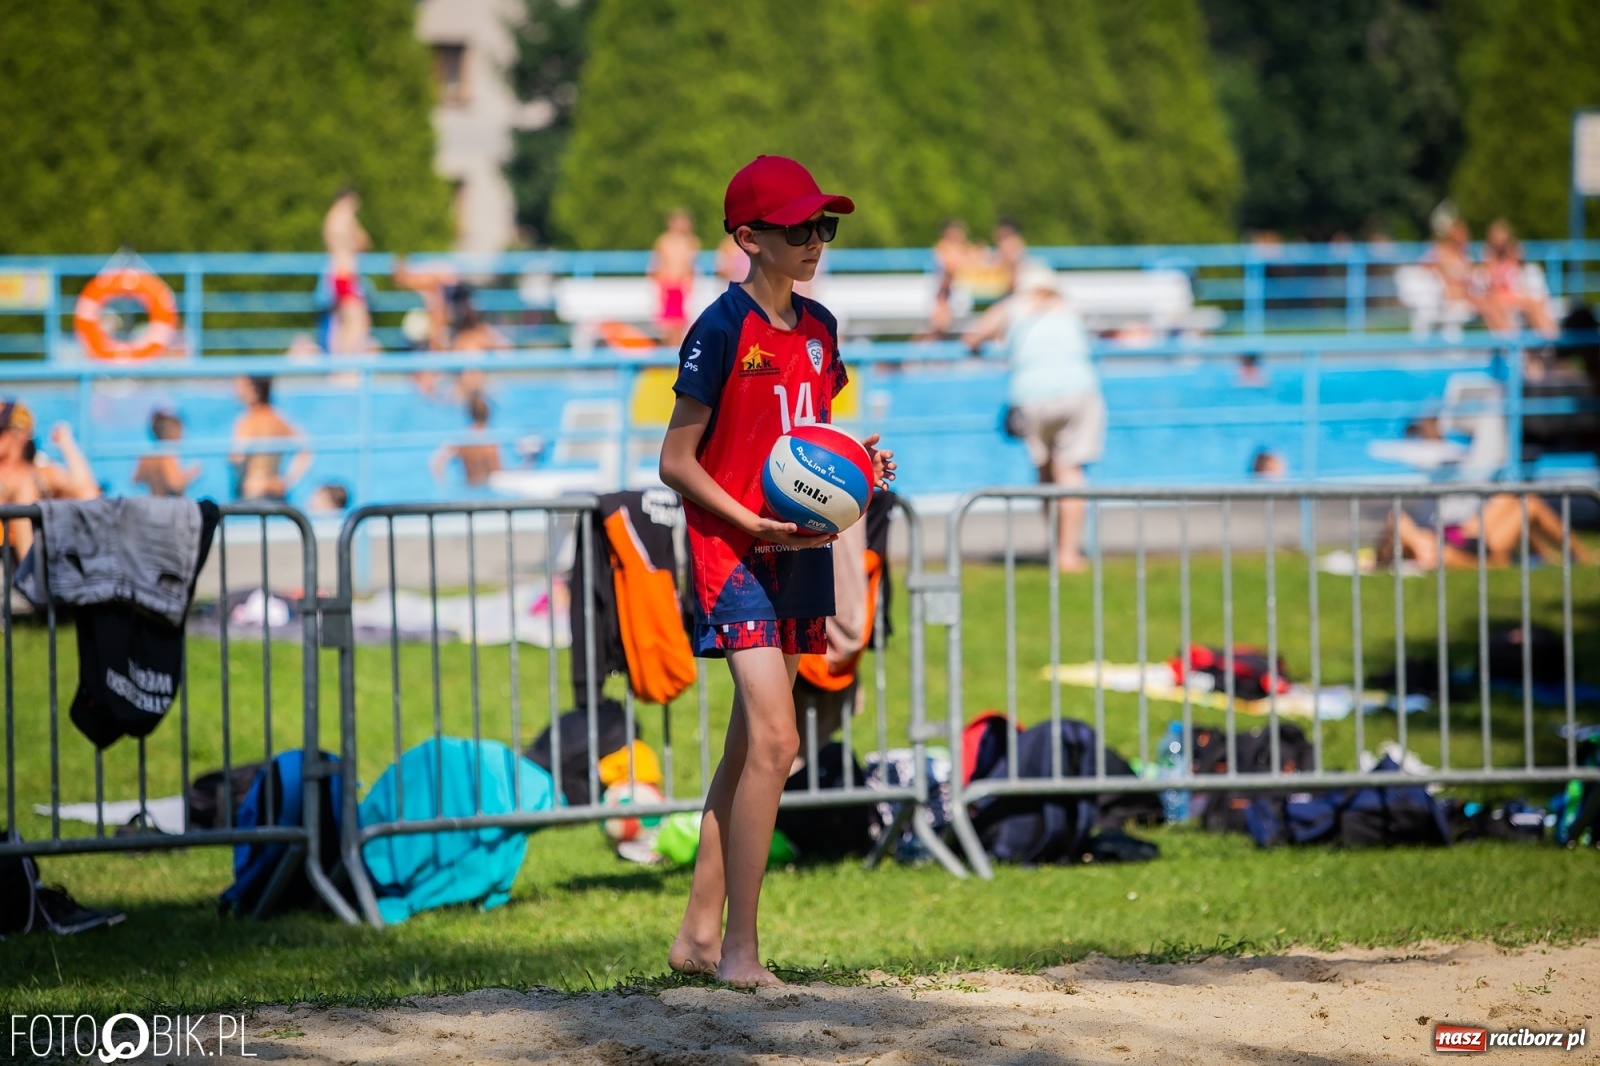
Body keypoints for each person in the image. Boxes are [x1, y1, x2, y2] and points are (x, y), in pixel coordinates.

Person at [657, 155, 892, 988]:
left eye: (824, 227)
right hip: (734, 551)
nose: (817, 241)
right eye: (801, 228)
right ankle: (741, 954)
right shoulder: (718, 331)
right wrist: (748, 518)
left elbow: (807, 445)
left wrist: (859, 464)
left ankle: (695, 938)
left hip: (797, 552)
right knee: (780, 742)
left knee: (748, 751)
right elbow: (674, 461)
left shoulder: (822, 327)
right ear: (750, 238)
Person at [964, 262, 1104, 572]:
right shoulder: (1068, 306)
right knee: (1070, 472)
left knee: (1044, 470)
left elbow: (972, 337)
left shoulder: (1014, 305)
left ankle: (1055, 546)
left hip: (1032, 394)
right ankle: (1068, 552)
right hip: (1079, 388)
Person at [1379, 494, 1595, 570]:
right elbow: (1396, 519)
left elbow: (1394, 517)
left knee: (1512, 495)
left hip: (1466, 532)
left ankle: (1544, 555)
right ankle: (1581, 555)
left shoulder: (1422, 543)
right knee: (1530, 505)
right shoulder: (1426, 554)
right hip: (1487, 547)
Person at [230, 376, 311, 501]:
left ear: (253, 389)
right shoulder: (279, 418)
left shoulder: (247, 421)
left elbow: (237, 458)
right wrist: (287, 481)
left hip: (253, 490)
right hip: (277, 491)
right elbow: (306, 449)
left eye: (240, 386)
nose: (236, 391)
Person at [1484, 220, 1558, 339]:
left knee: (1537, 304)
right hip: (1502, 298)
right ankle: (1552, 341)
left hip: (1514, 295)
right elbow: (1494, 290)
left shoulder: (1512, 254)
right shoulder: (1490, 258)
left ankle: (1552, 341)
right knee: (1532, 304)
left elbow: (1522, 268)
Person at [323, 186, 372, 355]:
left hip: (334, 273)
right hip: (346, 275)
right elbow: (363, 241)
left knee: (341, 323)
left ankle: (337, 365)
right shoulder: (345, 216)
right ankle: (346, 363)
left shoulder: (330, 218)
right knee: (359, 321)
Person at [650, 209, 701, 347]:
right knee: (667, 324)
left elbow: (691, 267)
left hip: (680, 285)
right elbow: (656, 265)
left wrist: (689, 284)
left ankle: (674, 352)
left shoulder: (691, 242)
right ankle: (669, 353)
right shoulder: (664, 241)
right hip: (668, 284)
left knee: (678, 323)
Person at [431, 391, 503, 486]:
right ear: (488, 414)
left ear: (469, 414)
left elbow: (436, 463)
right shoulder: (491, 443)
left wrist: (442, 484)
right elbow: (499, 474)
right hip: (487, 491)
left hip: (469, 488)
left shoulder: (462, 442)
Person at [132, 410, 201, 497]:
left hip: (153, 502)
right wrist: (192, 473)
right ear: (173, 433)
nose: (182, 435)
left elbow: (135, 481)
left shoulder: (146, 456)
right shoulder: (167, 456)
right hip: (170, 505)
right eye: (180, 430)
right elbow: (174, 485)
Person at [927, 219, 977, 337]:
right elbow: (951, 267)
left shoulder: (964, 249)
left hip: (958, 294)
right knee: (940, 323)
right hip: (944, 295)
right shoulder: (942, 248)